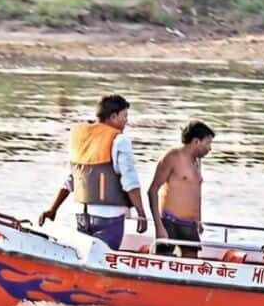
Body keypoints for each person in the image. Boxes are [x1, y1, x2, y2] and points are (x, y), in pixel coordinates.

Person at [39, 94, 147, 251]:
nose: (126, 121)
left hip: (82, 216)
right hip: (109, 217)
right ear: (114, 116)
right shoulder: (119, 140)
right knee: (103, 259)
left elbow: (71, 179)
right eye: (125, 116)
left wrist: (53, 209)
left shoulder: (80, 137)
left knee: (84, 258)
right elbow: (130, 182)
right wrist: (141, 212)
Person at [147, 121, 215, 258]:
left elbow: (196, 192)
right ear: (196, 141)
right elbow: (152, 190)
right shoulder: (172, 157)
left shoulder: (197, 161)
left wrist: (198, 220)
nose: (210, 148)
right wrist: (159, 226)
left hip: (190, 224)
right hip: (169, 222)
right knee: (163, 261)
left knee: (191, 263)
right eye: (207, 143)